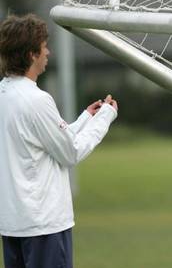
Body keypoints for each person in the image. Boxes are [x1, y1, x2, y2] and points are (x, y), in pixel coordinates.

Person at [0, 14, 118, 268]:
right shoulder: (37, 99)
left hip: (12, 224)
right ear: (31, 54)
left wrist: (86, 118)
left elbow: (46, 141)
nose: (48, 53)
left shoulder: (4, 94)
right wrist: (105, 118)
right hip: (43, 224)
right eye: (44, 47)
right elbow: (70, 152)